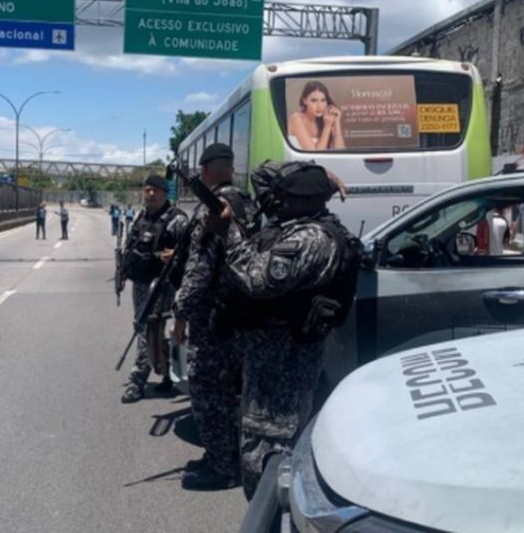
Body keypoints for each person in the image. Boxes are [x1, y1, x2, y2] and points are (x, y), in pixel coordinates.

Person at [210, 160, 360, 499]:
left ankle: (269, 516)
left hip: (282, 376)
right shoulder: (299, 223)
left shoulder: (311, 238)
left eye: (279, 197)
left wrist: (228, 231)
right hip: (270, 366)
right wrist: (319, 172)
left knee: (268, 462)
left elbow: (256, 278)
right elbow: (262, 174)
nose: (271, 202)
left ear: (296, 200)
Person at [171, 143, 258, 491]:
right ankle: (222, 455)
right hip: (241, 313)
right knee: (230, 392)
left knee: (209, 393)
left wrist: (180, 313)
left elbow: (199, 269)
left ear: (205, 172)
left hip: (212, 319)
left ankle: (223, 467)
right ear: (231, 169)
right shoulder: (248, 204)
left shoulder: (213, 210)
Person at [121, 175, 188, 404]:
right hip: (140, 282)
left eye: (156, 190)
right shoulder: (140, 217)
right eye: (147, 189)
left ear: (165, 193)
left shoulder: (177, 219)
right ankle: (168, 373)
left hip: (162, 283)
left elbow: (191, 250)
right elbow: (130, 246)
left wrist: (175, 256)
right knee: (149, 328)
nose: (151, 194)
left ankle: (137, 381)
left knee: (147, 328)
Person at [287, 81, 345, 151]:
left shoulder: (325, 120)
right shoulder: (296, 118)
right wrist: (327, 126)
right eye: (314, 101)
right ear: (305, 101)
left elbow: (340, 151)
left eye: (323, 100)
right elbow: (314, 153)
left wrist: (336, 122)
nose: (319, 106)